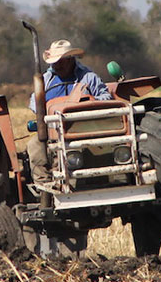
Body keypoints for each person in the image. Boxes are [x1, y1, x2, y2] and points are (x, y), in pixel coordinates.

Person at [26, 39, 112, 191]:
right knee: (35, 146)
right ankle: (45, 187)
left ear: (71, 59)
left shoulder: (88, 77)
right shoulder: (45, 79)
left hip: (85, 129)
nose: (57, 65)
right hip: (54, 130)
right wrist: (44, 110)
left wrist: (89, 102)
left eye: (60, 61)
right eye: (54, 62)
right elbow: (34, 101)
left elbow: (105, 97)